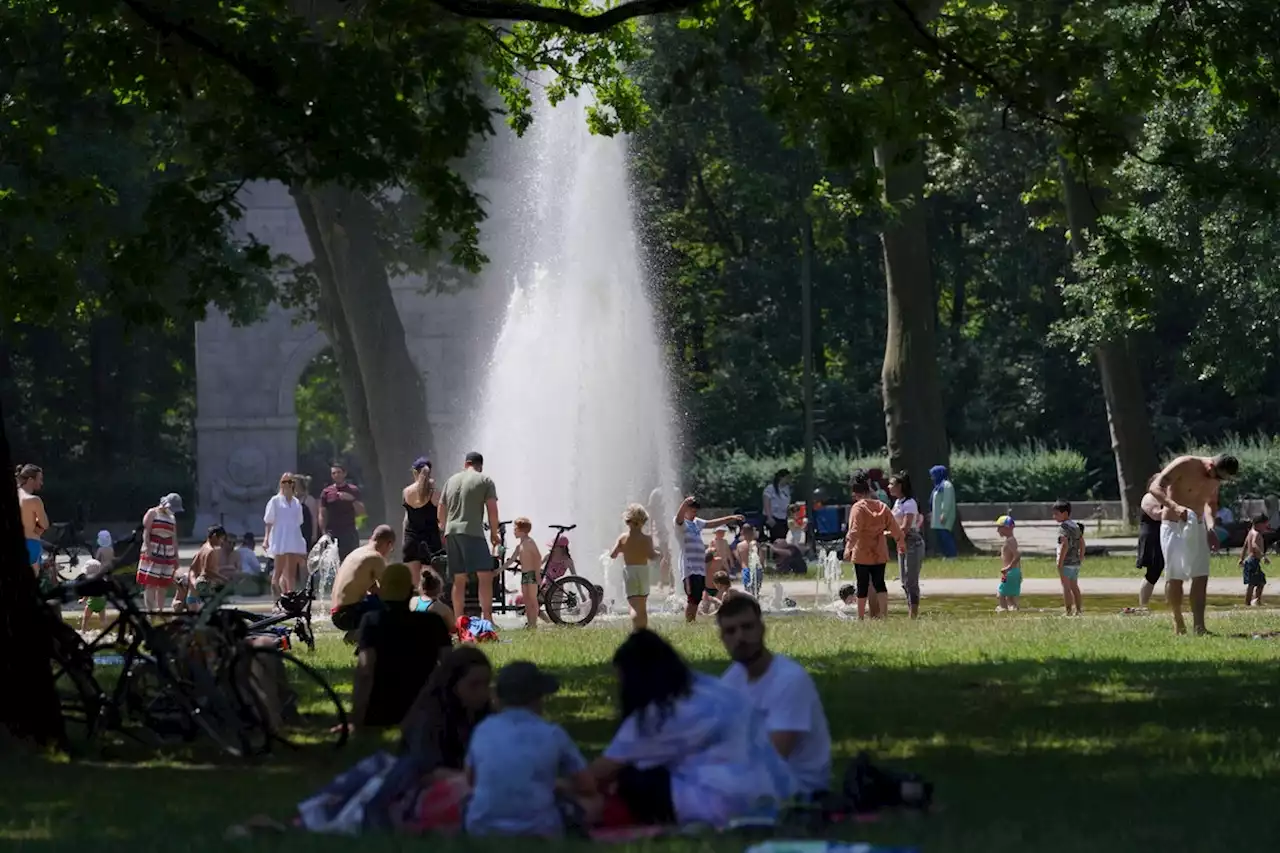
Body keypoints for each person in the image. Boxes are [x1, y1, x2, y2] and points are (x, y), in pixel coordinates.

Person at [587, 629, 795, 828]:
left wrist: (558, 786)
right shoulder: (712, 688)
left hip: (726, 805)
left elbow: (599, 773)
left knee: (631, 779)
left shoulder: (660, 715)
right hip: (774, 795)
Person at [464, 662, 597, 838]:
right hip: (541, 829)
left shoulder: (483, 730)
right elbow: (588, 786)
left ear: (497, 698)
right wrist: (561, 785)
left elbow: (471, 779)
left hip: (481, 828)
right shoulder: (553, 733)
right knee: (594, 802)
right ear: (538, 698)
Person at [717, 596, 831, 798]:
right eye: (731, 631)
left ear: (762, 628)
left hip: (799, 786)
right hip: (752, 777)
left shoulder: (790, 680)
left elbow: (774, 757)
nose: (740, 637)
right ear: (722, 638)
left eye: (747, 627)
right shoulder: (731, 680)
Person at [1145, 453, 1238, 636]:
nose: (1219, 481)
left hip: (1197, 525)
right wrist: (1175, 507)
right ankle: (1178, 621)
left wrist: (1211, 528)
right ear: (1211, 466)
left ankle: (1199, 626)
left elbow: (1211, 504)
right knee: (1175, 575)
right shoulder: (1185, 464)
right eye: (1218, 476)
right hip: (1173, 525)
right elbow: (1155, 487)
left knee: (1201, 575)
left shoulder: (1216, 479)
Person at [352, 562, 452, 728]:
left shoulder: (372, 621)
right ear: (410, 590)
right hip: (423, 709)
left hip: (381, 711)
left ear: (383, 590)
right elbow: (450, 665)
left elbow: (365, 669)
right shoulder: (433, 622)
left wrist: (356, 718)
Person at [439, 451, 500, 624]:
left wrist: (444, 528)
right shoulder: (484, 480)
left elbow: (441, 509)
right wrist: (494, 533)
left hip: (451, 532)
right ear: (480, 466)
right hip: (472, 531)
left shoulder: (451, 481)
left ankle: (459, 620)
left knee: (459, 578)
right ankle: (487, 619)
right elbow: (492, 510)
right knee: (484, 575)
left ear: (466, 463)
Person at [843, 470, 905, 619]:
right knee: (879, 583)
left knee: (862, 585)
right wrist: (900, 542)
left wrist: (848, 549)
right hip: (879, 551)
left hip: (862, 552)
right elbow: (895, 527)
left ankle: (860, 617)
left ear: (855, 492)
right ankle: (883, 615)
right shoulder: (882, 507)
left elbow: (855, 531)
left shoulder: (858, 508)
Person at [675, 497, 744, 623]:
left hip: (700, 567)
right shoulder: (680, 523)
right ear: (686, 510)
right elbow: (679, 517)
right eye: (692, 510)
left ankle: (692, 620)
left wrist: (731, 518)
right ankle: (689, 622)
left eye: (696, 511)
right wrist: (684, 503)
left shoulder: (696, 522)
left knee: (697, 596)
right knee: (692, 596)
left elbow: (712, 523)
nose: (694, 513)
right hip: (689, 567)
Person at [330, 525, 397, 635]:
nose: (390, 551)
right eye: (391, 549)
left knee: (380, 602)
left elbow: (374, 589)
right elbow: (389, 591)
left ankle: (358, 633)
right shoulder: (376, 557)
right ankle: (362, 635)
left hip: (337, 614)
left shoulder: (357, 552)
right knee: (393, 608)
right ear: (388, 544)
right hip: (349, 614)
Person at [611, 503, 659, 631]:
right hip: (643, 571)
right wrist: (660, 554)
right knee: (642, 606)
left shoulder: (623, 538)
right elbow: (652, 556)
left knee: (633, 605)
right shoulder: (647, 539)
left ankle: (636, 630)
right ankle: (643, 631)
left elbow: (612, 555)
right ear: (644, 521)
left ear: (627, 521)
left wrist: (622, 549)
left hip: (630, 571)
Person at [136, 493, 183, 612]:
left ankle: (161, 611)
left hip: (167, 552)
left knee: (163, 584)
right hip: (153, 549)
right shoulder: (153, 512)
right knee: (150, 583)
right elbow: (146, 532)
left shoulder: (172, 518)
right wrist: (147, 548)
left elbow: (174, 538)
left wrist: (176, 557)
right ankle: (150, 611)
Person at [402, 457, 444, 589]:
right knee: (433, 583)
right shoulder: (435, 493)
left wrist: (405, 539)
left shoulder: (406, 492)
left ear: (415, 472)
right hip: (431, 540)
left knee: (414, 585)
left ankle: (416, 607)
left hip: (411, 539)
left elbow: (406, 519)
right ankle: (431, 607)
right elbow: (442, 519)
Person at [888, 471, 925, 619]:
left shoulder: (910, 503)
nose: (889, 486)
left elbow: (905, 527)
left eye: (892, 484)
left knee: (911, 580)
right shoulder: (897, 503)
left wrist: (885, 535)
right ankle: (911, 610)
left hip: (912, 542)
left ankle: (913, 615)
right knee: (904, 580)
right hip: (901, 542)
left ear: (900, 486)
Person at [264, 472, 307, 596]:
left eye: (289, 482)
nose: (286, 485)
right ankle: (276, 601)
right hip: (280, 538)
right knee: (277, 572)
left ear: (293, 484)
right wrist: (266, 538)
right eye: (284, 482)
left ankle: (290, 598)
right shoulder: (275, 501)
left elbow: (299, 521)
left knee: (291, 574)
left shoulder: (296, 502)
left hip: (293, 538)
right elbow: (269, 520)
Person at [175, 525, 228, 611]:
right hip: (200, 596)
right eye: (222, 538)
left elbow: (192, 568)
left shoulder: (203, 548)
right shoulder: (210, 551)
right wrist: (223, 578)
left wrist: (193, 582)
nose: (222, 542)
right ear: (214, 536)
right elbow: (207, 571)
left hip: (192, 595)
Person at [319, 463, 364, 561]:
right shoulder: (326, 492)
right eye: (334, 473)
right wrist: (323, 531)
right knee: (333, 561)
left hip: (349, 532)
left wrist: (351, 499)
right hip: (332, 532)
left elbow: (362, 511)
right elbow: (322, 513)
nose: (336, 475)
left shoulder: (353, 490)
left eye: (339, 472)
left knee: (351, 561)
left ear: (345, 473)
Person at [1053, 500, 1085, 616]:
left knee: (1066, 587)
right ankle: (1079, 610)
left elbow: (1064, 544)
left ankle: (1068, 611)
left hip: (1065, 562)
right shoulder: (1075, 526)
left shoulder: (1063, 528)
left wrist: (1060, 562)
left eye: (1056, 514)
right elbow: (1082, 542)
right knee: (1074, 586)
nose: (1054, 516)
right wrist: (1080, 556)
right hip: (1075, 562)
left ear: (1065, 513)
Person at [511, 517, 543, 630]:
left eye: (515, 529)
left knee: (533, 599)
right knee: (527, 600)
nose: (513, 531)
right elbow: (511, 560)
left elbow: (538, 557)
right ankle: (530, 622)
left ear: (522, 530)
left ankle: (534, 623)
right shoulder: (520, 546)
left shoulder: (529, 542)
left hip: (532, 574)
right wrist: (498, 571)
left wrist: (538, 574)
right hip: (524, 575)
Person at [16, 464, 48, 576]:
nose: (41, 483)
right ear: (30, 480)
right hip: (31, 544)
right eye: (40, 479)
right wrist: (36, 529)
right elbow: (44, 524)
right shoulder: (33, 500)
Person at [1136, 493, 1166, 608]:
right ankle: (1143, 605)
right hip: (1152, 537)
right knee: (1153, 572)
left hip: (1164, 536)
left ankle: (1173, 604)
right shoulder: (1149, 497)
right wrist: (1174, 507)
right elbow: (1156, 515)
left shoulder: (1166, 498)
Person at [412, 565, 457, 630]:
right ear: (440, 590)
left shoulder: (413, 602)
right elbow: (453, 629)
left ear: (421, 588)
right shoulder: (443, 609)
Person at [1240, 513, 1269, 606]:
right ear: (1259, 524)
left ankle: (1255, 601)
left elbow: (1245, 546)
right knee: (1253, 584)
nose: (1266, 527)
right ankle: (1249, 603)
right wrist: (1263, 556)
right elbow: (1254, 545)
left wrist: (1241, 558)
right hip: (1253, 561)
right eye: (1265, 524)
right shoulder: (1256, 534)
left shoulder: (1250, 533)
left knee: (1259, 582)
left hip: (1250, 560)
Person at [929, 465, 958, 559]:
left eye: (933, 475)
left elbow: (947, 501)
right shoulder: (938, 486)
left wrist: (944, 514)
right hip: (937, 516)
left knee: (946, 536)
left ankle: (952, 555)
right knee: (941, 537)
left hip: (944, 516)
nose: (932, 477)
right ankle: (946, 554)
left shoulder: (946, 485)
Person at [996, 515, 1021, 612]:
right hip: (1014, 572)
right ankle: (1014, 610)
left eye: (999, 528)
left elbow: (1017, 555)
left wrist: (1008, 568)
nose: (997, 531)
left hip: (1009, 572)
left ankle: (1002, 609)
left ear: (1006, 528)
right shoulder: (1012, 540)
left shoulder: (1010, 541)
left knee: (1000, 594)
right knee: (1010, 597)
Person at [762, 470, 792, 549]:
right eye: (787, 478)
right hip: (773, 516)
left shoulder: (787, 489)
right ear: (781, 478)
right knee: (777, 535)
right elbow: (766, 503)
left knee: (785, 535)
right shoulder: (770, 488)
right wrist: (769, 517)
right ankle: (775, 552)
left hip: (784, 516)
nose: (789, 480)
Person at [78, 558, 110, 633]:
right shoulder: (102, 580)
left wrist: (82, 600)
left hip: (91, 603)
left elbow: (87, 594)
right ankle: (106, 631)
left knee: (85, 618)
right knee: (103, 619)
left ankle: (83, 631)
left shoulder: (90, 582)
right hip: (101, 603)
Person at [296, 474, 321, 551]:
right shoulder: (291, 500)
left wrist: (314, 534)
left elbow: (314, 518)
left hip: (306, 531)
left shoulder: (309, 499)